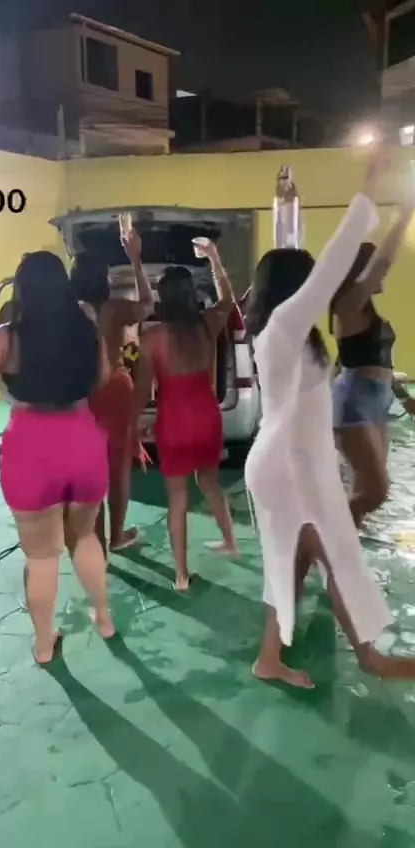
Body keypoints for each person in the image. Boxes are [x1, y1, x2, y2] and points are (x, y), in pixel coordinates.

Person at [244, 149, 415, 688]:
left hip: (298, 462)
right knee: (331, 553)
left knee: (305, 557)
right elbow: (335, 266)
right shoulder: (283, 327)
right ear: (294, 288)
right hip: (286, 466)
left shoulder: (293, 333)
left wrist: (290, 197)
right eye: (309, 278)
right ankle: (370, 659)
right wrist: (369, 184)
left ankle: (273, 658)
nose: (319, 286)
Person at [0, 251, 114, 663]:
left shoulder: (7, 338)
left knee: (41, 555)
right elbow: (104, 376)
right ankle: (104, 618)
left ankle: (44, 643)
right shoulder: (87, 325)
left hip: (32, 448)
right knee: (85, 537)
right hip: (83, 440)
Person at [132, 241, 238, 591]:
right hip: (207, 418)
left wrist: (132, 427)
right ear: (192, 295)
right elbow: (228, 300)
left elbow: (142, 391)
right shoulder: (207, 323)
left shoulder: (153, 337)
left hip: (175, 424)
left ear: (163, 298)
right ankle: (230, 541)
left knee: (177, 498)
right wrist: (215, 258)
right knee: (209, 482)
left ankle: (180, 575)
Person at [330, 200, 415, 527]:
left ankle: (343, 544)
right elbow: (383, 262)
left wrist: (404, 397)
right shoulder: (347, 305)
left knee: (364, 489)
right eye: (376, 272)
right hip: (356, 401)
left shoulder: (365, 311)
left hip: (376, 399)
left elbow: (382, 362)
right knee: (376, 492)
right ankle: (321, 535)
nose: (383, 276)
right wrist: (405, 216)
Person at [70, 227, 154, 555]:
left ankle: (95, 542)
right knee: (118, 469)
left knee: (89, 470)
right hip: (116, 391)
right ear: (102, 279)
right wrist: (136, 260)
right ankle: (117, 535)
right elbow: (147, 304)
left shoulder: (70, 311)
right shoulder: (114, 309)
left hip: (81, 391)